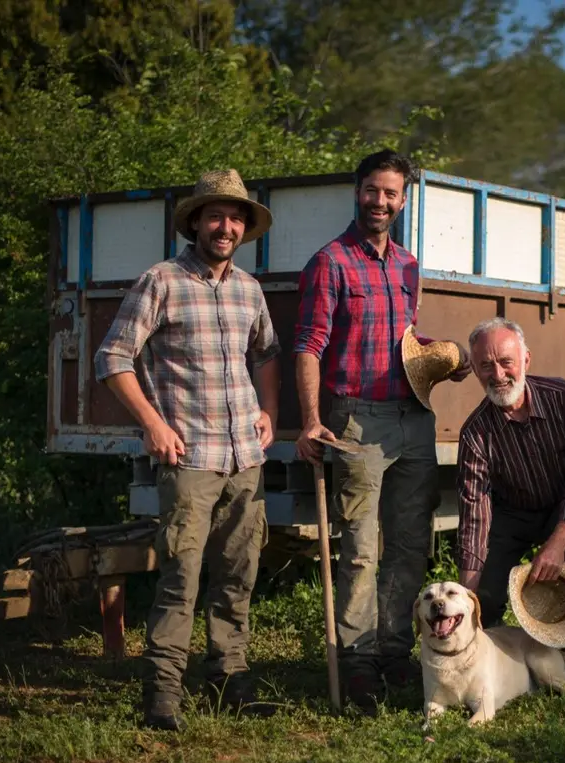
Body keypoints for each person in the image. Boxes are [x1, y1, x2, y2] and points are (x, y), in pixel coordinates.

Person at [95, 169, 281, 730]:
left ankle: (229, 679)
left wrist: (268, 412)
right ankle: (163, 693)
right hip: (190, 459)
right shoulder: (161, 281)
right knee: (181, 578)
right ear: (196, 222)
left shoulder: (249, 289)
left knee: (238, 576)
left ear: (245, 229)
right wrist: (153, 424)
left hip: (245, 459)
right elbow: (112, 357)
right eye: (216, 216)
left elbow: (266, 353)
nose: (226, 227)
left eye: (236, 219)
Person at [293, 149, 470, 712]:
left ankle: (396, 650)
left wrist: (444, 357)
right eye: (372, 190)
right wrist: (313, 419)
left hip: (414, 417)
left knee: (411, 544)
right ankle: (359, 659)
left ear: (403, 199)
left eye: (391, 193)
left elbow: (404, 340)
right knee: (361, 550)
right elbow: (309, 346)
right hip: (358, 419)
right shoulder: (330, 263)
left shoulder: (409, 266)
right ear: (357, 191)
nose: (380, 201)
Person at [455, 317, 565, 658]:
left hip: (564, 506)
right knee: (484, 591)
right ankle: (486, 661)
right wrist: (468, 592)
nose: (498, 374)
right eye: (485, 366)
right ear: (475, 371)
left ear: (526, 359)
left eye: (506, 362)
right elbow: (475, 514)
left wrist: (557, 542)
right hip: (513, 514)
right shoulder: (474, 433)